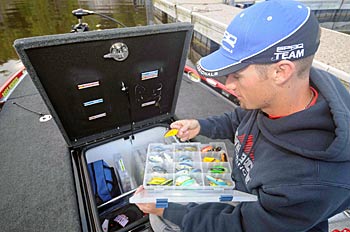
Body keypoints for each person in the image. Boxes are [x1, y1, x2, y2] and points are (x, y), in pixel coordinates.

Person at [135, 0, 350, 231]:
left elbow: (239, 226)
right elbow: (241, 119)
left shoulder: (307, 180)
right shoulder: (283, 94)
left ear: (281, 71)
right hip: (245, 191)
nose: (228, 84)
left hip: (261, 220)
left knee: (159, 222)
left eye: (237, 75)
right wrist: (200, 126)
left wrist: (166, 209)